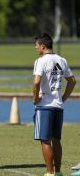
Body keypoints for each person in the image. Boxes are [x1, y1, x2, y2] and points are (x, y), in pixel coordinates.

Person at [32, 33, 76, 176]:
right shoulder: (62, 60)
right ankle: (57, 172)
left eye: (37, 45)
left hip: (44, 106)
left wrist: (35, 98)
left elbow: (36, 82)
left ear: (43, 46)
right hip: (58, 106)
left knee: (45, 140)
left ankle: (49, 172)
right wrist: (63, 98)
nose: (35, 48)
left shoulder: (40, 61)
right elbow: (72, 81)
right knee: (56, 140)